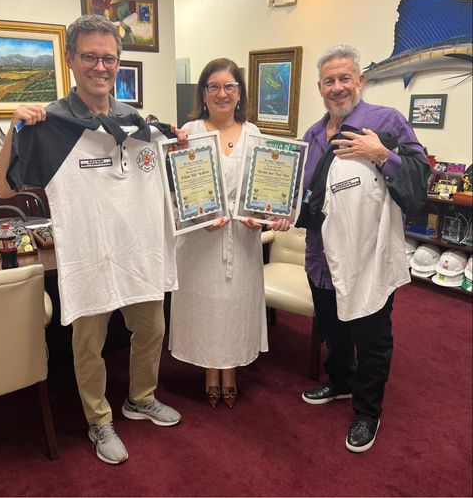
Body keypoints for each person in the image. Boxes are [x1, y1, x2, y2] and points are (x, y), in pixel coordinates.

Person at [0, 15, 183, 465]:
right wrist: (15, 128)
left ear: (118, 62)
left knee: (152, 328)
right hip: (90, 254)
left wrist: (180, 145)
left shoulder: (135, 120)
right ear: (71, 59)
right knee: (88, 344)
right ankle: (99, 420)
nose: (101, 66)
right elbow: (2, 189)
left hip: (138, 250)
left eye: (109, 58)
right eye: (90, 57)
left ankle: (140, 398)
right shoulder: (51, 123)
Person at [297, 45, 430, 452]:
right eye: (329, 81)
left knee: (371, 339)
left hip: (368, 258)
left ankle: (368, 411)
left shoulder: (386, 121)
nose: (337, 87)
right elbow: (301, 193)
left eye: (345, 78)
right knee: (334, 330)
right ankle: (340, 381)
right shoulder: (312, 136)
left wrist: (383, 155)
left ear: (360, 80)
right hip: (321, 258)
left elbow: (421, 175)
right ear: (320, 88)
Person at [168, 58, 290, 408]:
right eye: (214, 87)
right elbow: (177, 192)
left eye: (229, 86)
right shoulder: (188, 133)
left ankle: (231, 370)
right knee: (206, 306)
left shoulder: (255, 134)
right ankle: (210, 370)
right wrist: (197, 217)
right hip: (200, 240)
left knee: (235, 306)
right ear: (203, 93)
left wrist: (261, 217)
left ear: (239, 93)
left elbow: (264, 190)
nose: (222, 94)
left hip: (242, 240)